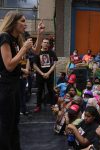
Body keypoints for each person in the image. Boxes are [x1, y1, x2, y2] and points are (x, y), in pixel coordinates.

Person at [0, 11, 45, 150]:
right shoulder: (4, 37)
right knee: (6, 123)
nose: (25, 24)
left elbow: (36, 52)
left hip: (15, 84)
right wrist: (23, 49)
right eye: (23, 21)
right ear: (13, 22)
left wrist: (40, 34)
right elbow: (8, 65)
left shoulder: (18, 37)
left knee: (14, 121)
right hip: (5, 86)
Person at [33, 38, 58, 112]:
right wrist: (42, 73)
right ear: (41, 43)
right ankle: (38, 106)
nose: (46, 44)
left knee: (51, 90)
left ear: (49, 44)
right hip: (40, 75)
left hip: (49, 75)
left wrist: (48, 73)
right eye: (44, 42)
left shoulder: (52, 52)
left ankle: (52, 105)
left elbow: (55, 64)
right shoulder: (37, 53)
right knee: (39, 91)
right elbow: (34, 65)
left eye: (47, 42)